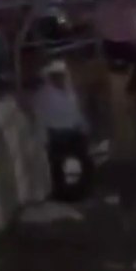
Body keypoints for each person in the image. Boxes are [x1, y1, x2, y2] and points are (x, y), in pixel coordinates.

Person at [31, 59, 94, 202]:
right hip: (56, 136)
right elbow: (40, 119)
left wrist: (84, 127)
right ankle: (62, 195)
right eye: (57, 75)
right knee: (58, 167)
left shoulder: (69, 92)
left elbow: (76, 113)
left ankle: (82, 191)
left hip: (73, 133)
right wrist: (43, 139)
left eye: (62, 75)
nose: (61, 78)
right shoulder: (43, 96)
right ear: (51, 77)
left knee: (86, 163)